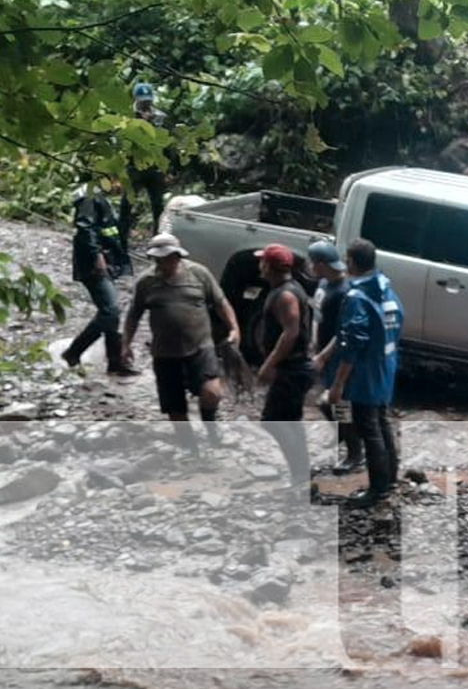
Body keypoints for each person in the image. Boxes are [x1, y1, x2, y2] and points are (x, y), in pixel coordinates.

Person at [122, 233, 240, 426]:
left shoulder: (199, 274)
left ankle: (210, 425)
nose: (162, 263)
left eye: (166, 258)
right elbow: (133, 314)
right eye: (157, 259)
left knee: (212, 392)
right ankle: (189, 447)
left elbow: (221, 302)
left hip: (200, 345)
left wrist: (234, 328)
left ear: (177, 256)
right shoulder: (146, 282)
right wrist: (126, 344)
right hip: (165, 352)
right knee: (174, 407)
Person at [329, 238, 404, 508]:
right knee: (382, 423)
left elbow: (353, 343)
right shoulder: (386, 291)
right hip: (386, 366)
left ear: (351, 261)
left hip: (365, 373)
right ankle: (390, 478)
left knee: (368, 428)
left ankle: (378, 488)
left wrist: (338, 383)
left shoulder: (357, 297)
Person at [253, 243, 316, 490]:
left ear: (269, 266)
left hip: (292, 369)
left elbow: (290, 333)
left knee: (272, 421)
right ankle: (301, 476)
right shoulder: (285, 289)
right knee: (290, 421)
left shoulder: (286, 295)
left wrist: (269, 365)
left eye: (262, 261)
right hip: (294, 367)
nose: (259, 265)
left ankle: (301, 477)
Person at [61, 180, 138, 375]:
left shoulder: (100, 197)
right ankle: (73, 352)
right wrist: (97, 257)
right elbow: (85, 229)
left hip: (106, 259)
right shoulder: (90, 196)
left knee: (109, 311)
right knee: (110, 311)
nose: (121, 186)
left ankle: (115, 363)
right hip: (93, 263)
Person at [308, 240, 364, 474]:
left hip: (336, 356)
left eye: (312, 263)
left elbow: (343, 330)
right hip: (321, 351)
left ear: (321, 264)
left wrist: (324, 355)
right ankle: (344, 433)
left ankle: (354, 452)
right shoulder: (323, 283)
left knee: (337, 402)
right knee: (328, 402)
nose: (309, 267)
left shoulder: (343, 291)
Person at [122, 81, 169, 247]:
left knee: (158, 207)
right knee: (126, 205)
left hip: (155, 168)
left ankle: (158, 242)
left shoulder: (160, 116)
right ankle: (121, 243)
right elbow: (127, 140)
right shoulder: (127, 117)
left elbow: (164, 141)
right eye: (142, 101)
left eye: (148, 101)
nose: (145, 104)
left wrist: (168, 168)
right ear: (135, 99)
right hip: (134, 166)